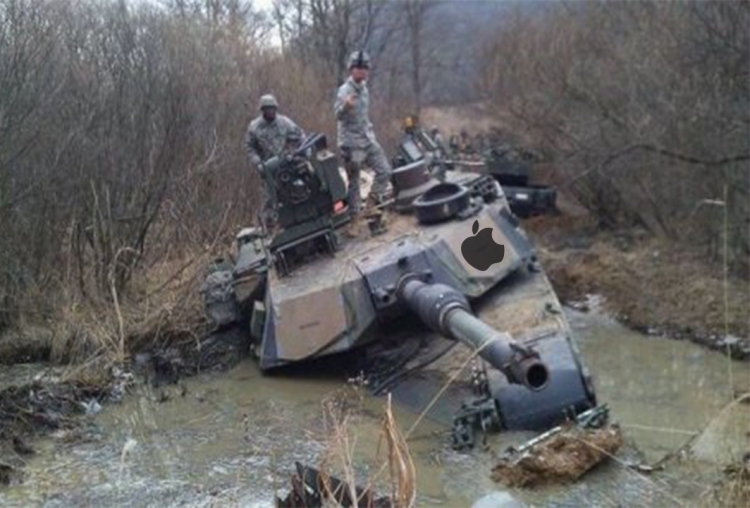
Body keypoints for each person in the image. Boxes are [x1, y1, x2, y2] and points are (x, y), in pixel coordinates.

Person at [334, 50, 393, 237]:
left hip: (367, 139)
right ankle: (354, 222)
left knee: (384, 170)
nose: (362, 71)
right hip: (352, 144)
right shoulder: (345, 91)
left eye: (364, 68)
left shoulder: (364, 89)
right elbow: (337, 114)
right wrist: (345, 107)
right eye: (358, 68)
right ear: (351, 70)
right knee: (354, 181)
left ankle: (371, 205)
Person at [245, 94, 304, 232]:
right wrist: (257, 162)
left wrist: (293, 152)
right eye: (267, 109)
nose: (270, 111)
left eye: (272, 108)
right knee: (269, 199)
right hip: (267, 168)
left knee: (296, 190)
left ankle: (298, 220)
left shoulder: (284, 122)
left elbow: (300, 136)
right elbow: (250, 147)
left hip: (286, 164)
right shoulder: (254, 127)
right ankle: (271, 228)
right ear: (262, 110)